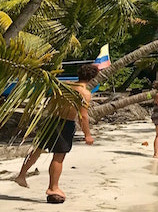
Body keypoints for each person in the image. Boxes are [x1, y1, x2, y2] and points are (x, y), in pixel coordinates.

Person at [14, 63, 98, 204]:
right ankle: (53, 187)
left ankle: (21, 175)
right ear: (92, 78)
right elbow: (83, 117)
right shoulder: (84, 93)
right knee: (58, 157)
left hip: (50, 120)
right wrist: (87, 135)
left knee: (38, 150)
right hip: (64, 124)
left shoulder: (65, 85)